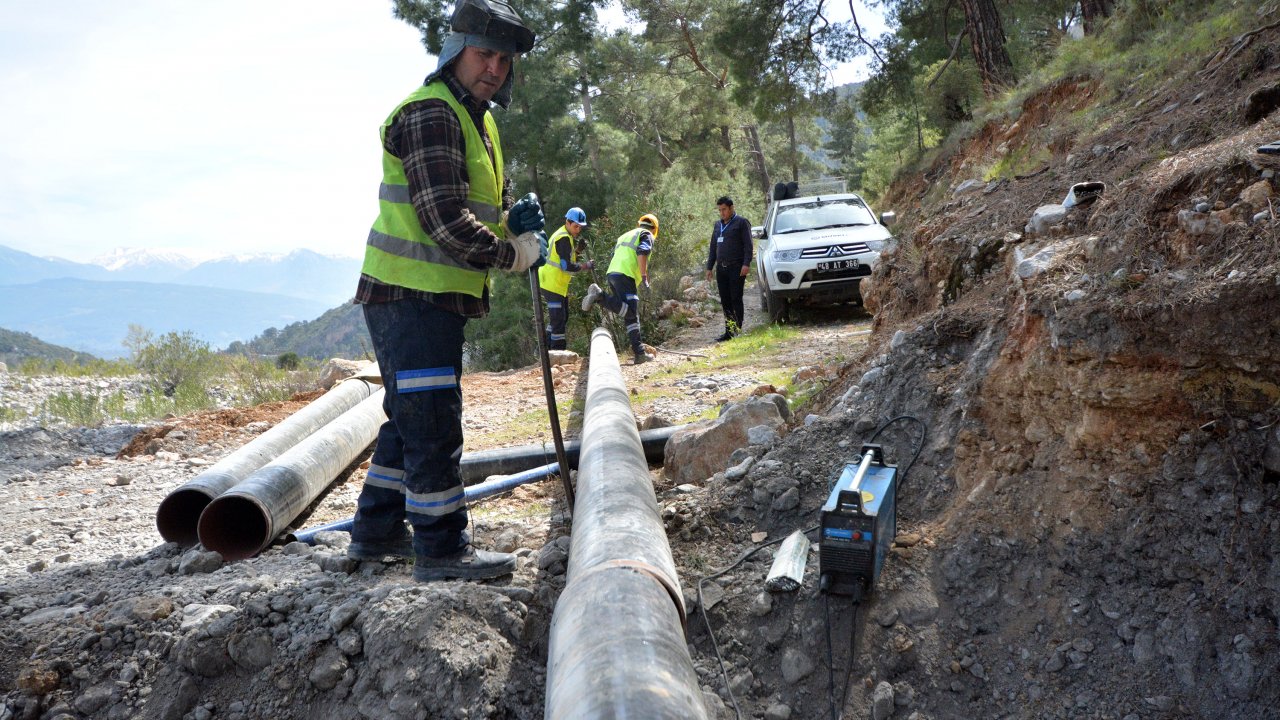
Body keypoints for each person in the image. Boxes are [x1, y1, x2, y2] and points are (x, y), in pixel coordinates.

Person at [348, 0, 548, 582]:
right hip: (411, 295)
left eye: (504, 60)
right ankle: (440, 549)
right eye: (485, 53)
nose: (495, 68)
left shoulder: (478, 119)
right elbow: (443, 218)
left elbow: (472, 206)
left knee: (408, 417)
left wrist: (511, 221)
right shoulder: (432, 113)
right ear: (456, 49)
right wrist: (511, 254)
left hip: (427, 296)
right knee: (432, 419)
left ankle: (376, 532)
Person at [581, 214, 658, 364]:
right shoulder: (646, 234)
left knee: (629, 314)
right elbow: (642, 252)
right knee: (631, 313)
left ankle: (639, 353)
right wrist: (643, 277)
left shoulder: (625, 235)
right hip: (626, 274)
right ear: (654, 229)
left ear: (639, 224)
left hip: (613, 273)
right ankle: (600, 296)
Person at [537, 207, 595, 350]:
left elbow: (568, 258)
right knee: (558, 320)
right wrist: (585, 265)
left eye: (580, 227)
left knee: (561, 318)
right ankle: (557, 352)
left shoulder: (565, 236)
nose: (578, 230)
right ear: (567, 222)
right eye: (575, 226)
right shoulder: (563, 238)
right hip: (552, 284)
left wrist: (579, 251)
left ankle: (545, 350)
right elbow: (565, 266)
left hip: (555, 285)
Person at [704, 196, 753, 341]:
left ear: (731, 208)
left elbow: (748, 246)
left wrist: (746, 264)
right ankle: (728, 331)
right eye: (719, 210)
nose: (722, 213)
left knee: (735, 298)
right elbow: (713, 247)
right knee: (725, 300)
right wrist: (709, 267)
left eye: (724, 209)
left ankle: (737, 329)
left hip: (736, 267)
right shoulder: (717, 225)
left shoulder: (741, 223)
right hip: (721, 269)